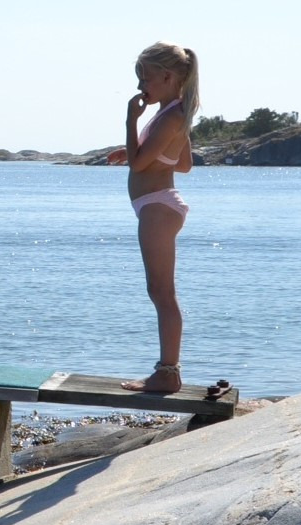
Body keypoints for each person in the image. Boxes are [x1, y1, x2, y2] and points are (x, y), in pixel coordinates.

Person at [105, 42, 198, 393]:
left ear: (167, 76)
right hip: (159, 205)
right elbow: (183, 163)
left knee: (162, 293)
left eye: (145, 76)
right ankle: (167, 371)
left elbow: (139, 163)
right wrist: (131, 146)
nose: (141, 84)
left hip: (158, 208)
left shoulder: (171, 115)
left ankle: (168, 373)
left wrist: (130, 122)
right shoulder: (175, 113)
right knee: (160, 291)